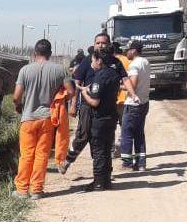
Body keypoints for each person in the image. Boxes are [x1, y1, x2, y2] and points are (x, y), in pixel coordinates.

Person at [58, 33, 139, 174]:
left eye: (104, 43)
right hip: (88, 105)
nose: (101, 45)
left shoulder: (115, 62)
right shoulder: (87, 61)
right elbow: (76, 83)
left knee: (104, 139)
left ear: (109, 44)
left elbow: (125, 80)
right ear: (94, 44)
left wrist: (133, 94)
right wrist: (73, 105)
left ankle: (104, 173)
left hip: (107, 106)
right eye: (98, 43)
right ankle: (68, 161)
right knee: (83, 136)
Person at [12, 39, 66, 200]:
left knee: (26, 155)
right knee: (42, 155)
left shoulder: (25, 70)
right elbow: (70, 91)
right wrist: (59, 101)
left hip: (28, 118)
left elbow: (16, 97)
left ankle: (22, 190)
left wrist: (18, 106)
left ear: (35, 53)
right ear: (50, 53)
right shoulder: (59, 70)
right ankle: (36, 190)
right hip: (48, 118)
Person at [78, 48, 120, 191]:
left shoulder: (99, 76)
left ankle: (98, 182)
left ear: (99, 61)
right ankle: (106, 180)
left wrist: (84, 93)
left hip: (100, 118)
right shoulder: (114, 74)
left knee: (98, 151)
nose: (92, 64)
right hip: (111, 117)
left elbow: (95, 102)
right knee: (107, 150)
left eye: (93, 61)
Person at [120, 40, 151, 171]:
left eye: (127, 50)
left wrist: (118, 85)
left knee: (127, 133)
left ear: (133, 51)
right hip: (144, 102)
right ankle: (141, 163)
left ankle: (127, 163)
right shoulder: (146, 62)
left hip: (133, 104)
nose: (126, 53)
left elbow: (132, 85)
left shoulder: (134, 65)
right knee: (139, 133)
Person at [51, 78, 75, 167]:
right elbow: (71, 91)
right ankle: (60, 161)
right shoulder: (60, 73)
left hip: (34, 114)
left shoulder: (27, 72)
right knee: (61, 135)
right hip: (57, 109)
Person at [113, 41, 130, 155]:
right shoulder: (127, 60)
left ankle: (112, 149)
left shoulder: (110, 61)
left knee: (110, 126)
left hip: (112, 98)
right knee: (124, 124)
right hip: (125, 97)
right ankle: (122, 145)